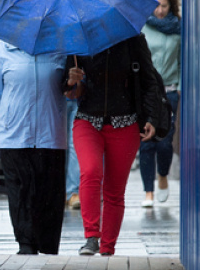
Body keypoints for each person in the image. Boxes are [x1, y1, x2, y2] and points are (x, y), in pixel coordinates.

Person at [64, 33, 165, 256]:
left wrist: (151, 119)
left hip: (125, 123)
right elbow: (65, 85)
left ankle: (108, 247)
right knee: (90, 172)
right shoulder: (80, 39)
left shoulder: (132, 39)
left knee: (114, 190)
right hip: (87, 120)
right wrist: (70, 79)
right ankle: (91, 237)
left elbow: (149, 81)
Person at [0, 40, 68, 255]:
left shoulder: (61, 47)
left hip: (51, 134)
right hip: (14, 134)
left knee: (49, 194)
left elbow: (73, 92)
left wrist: (76, 83)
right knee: (21, 191)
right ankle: (26, 244)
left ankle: (49, 246)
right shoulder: (4, 49)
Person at [138, 0, 182, 206]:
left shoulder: (179, 28)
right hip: (147, 92)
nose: (160, 10)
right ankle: (148, 191)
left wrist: (181, 86)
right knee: (146, 141)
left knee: (164, 142)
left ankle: (162, 175)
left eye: (164, 5)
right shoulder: (143, 26)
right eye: (156, 5)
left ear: (171, 5)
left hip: (170, 90)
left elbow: (183, 60)